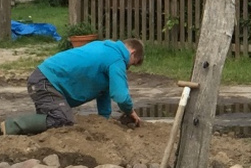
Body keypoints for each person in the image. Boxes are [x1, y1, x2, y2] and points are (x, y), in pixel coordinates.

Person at [0, 38, 144, 136]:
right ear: (132, 53)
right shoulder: (117, 58)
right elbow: (120, 95)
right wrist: (130, 111)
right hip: (46, 82)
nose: (128, 69)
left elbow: (104, 93)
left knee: (50, 123)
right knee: (63, 120)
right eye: (132, 64)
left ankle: (23, 132)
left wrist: (104, 121)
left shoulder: (104, 48)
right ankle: (9, 126)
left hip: (44, 80)